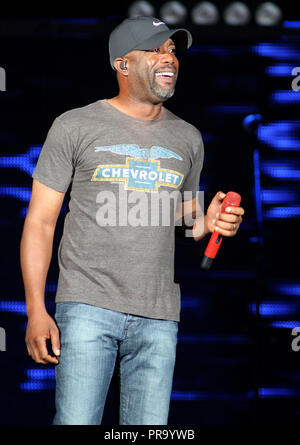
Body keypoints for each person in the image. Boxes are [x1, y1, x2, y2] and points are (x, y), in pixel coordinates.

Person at [20, 16, 245, 425]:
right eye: (156, 49)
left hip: (159, 317)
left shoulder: (188, 138)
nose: (169, 58)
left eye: (173, 50)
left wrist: (209, 222)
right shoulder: (75, 125)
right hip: (87, 308)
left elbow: (181, 218)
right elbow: (40, 222)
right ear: (122, 65)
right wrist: (36, 310)